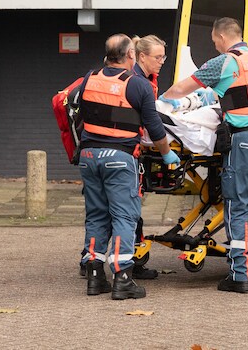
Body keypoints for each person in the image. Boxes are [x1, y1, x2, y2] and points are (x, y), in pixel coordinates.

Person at [162, 18, 248, 293]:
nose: (215, 45)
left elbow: (183, 88)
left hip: (246, 141)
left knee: (237, 207)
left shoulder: (224, 62)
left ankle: (240, 276)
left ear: (220, 36)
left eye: (214, 40)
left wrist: (161, 102)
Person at [79, 34, 177, 300]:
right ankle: (122, 278)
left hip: (89, 156)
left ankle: (95, 275)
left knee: (97, 215)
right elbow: (155, 127)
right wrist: (167, 154)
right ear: (132, 55)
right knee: (124, 216)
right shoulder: (138, 86)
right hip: (119, 158)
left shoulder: (90, 78)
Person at [129, 34, 168, 280]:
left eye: (164, 56)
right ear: (142, 57)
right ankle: (132, 266)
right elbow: (152, 124)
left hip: (104, 152)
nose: (162, 61)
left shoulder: (141, 78)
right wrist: (166, 152)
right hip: (128, 154)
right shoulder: (138, 81)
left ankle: (89, 261)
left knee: (103, 211)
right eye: (158, 57)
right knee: (129, 212)